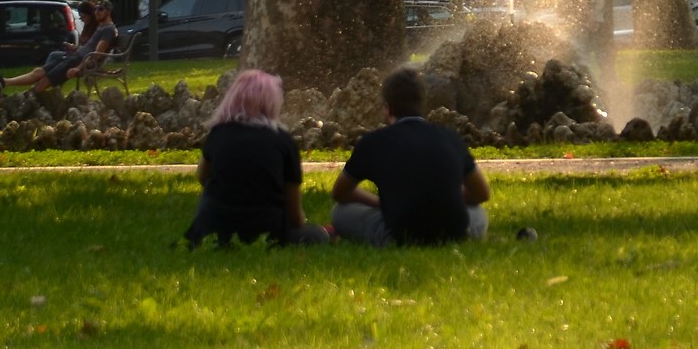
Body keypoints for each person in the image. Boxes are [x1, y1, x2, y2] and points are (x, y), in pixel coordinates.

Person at [331, 66, 492, 245]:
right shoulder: (450, 138)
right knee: (479, 213)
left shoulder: (372, 143)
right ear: (422, 103)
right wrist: (443, 196)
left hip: (399, 234)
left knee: (340, 212)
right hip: (454, 232)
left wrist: (381, 203)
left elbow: (340, 193)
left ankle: (388, 238)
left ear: (387, 108)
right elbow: (482, 193)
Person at [185, 69, 331, 246]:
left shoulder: (218, 134)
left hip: (215, 230)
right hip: (269, 231)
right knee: (318, 235)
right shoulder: (283, 142)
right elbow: (295, 216)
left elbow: (202, 177)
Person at [0, 0, 118, 95]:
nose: (97, 12)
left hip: (78, 61)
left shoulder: (108, 30)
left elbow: (97, 55)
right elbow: (88, 48)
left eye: (101, 9)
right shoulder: (101, 26)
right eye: (96, 8)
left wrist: (78, 68)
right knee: (39, 72)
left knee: (46, 79)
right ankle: (4, 82)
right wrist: (75, 48)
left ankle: (22, 98)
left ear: (109, 11)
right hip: (75, 56)